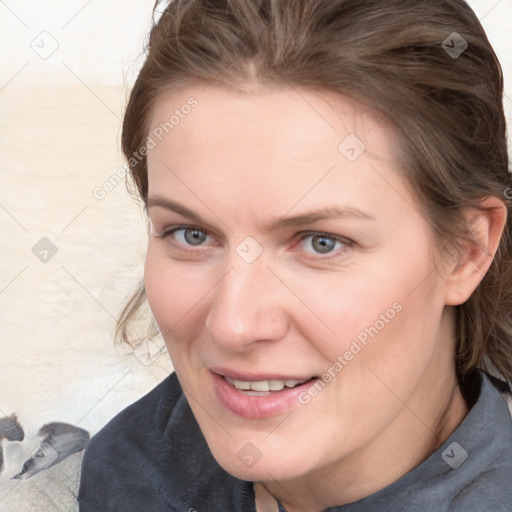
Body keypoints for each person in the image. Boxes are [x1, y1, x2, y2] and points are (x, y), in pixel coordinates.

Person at [77, 0, 512, 510]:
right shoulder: (131, 470)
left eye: (319, 242)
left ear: (466, 250)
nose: (232, 325)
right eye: (191, 234)